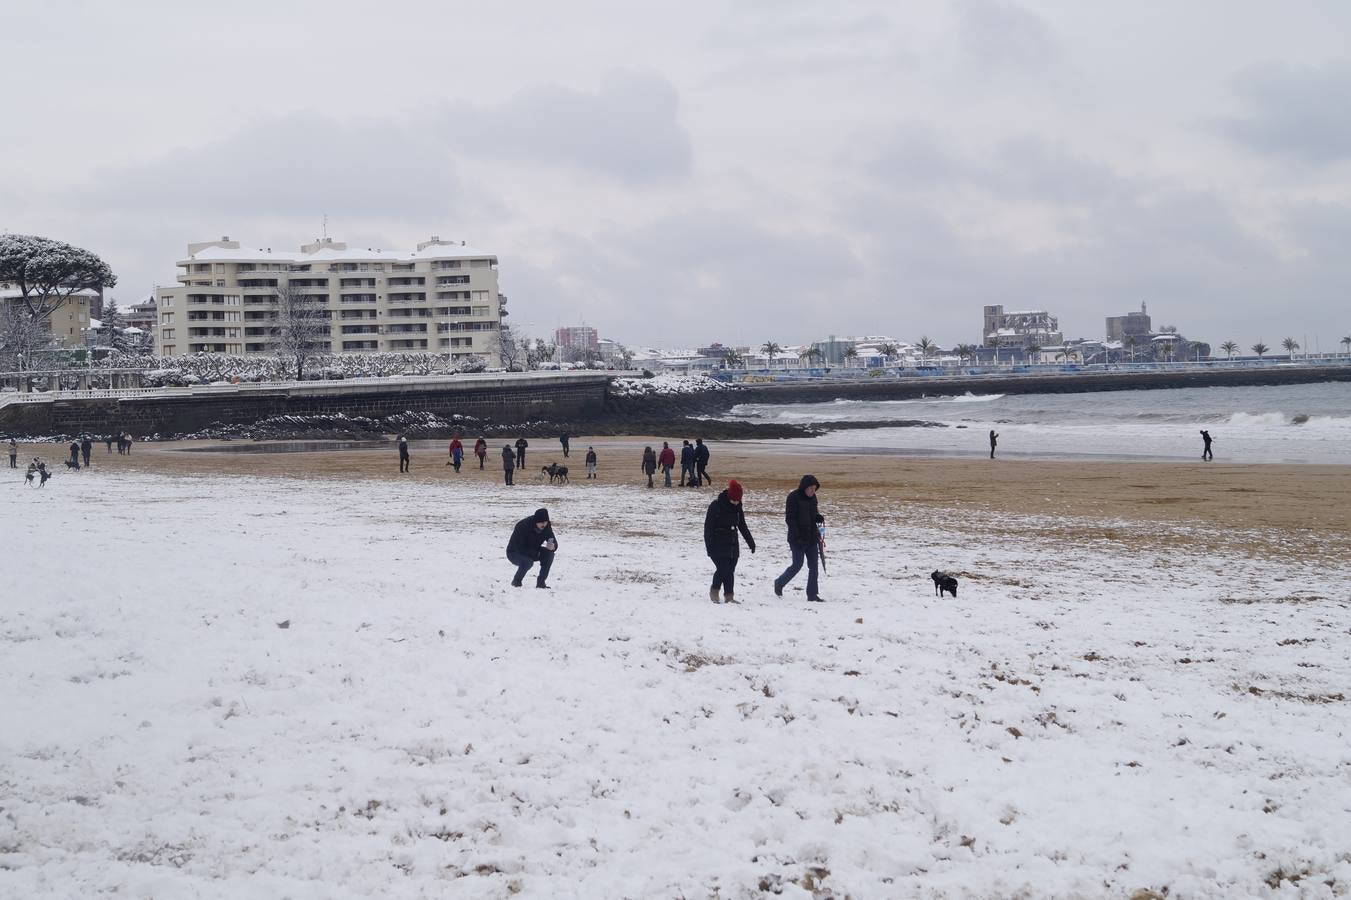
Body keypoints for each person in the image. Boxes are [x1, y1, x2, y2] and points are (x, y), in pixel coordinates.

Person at [773, 475, 826, 603]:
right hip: (797, 539)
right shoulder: (793, 497)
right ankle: (779, 583)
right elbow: (790, 519)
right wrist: (797, 536)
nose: (813, 491)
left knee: (814, 566)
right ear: (804, 487)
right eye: (811, 489)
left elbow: (813, 514)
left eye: (815, 489)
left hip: (812, 537)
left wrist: (818, 517)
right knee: (797, 565)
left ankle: (812, 595)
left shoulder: (813, 498)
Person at [704, 479, 755, 603]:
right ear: (728, 496)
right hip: (717, 544)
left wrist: (751, 542)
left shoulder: (738, 508)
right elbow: (708, 528)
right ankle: (714, 591)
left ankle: (729, 596)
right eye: (734, 500)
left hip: (732, 544)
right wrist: (709, 547)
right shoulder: (715, 506)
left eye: (738, 500)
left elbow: (742, 526)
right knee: (723, 569)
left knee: (730, 570)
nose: (736, 502)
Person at [506, 507, 557, 589]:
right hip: (514, 552)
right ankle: (516, 582)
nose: (543, 525)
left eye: (545, 522)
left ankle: (541, 583)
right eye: (541, 523)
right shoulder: (523, 526)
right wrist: (536, 553)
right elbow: (520, 547)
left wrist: (553, 546)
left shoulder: (546, 527)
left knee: (549, 554)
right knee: (528, 562)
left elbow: (552, 539)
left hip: (534, 551)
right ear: (536, 521)